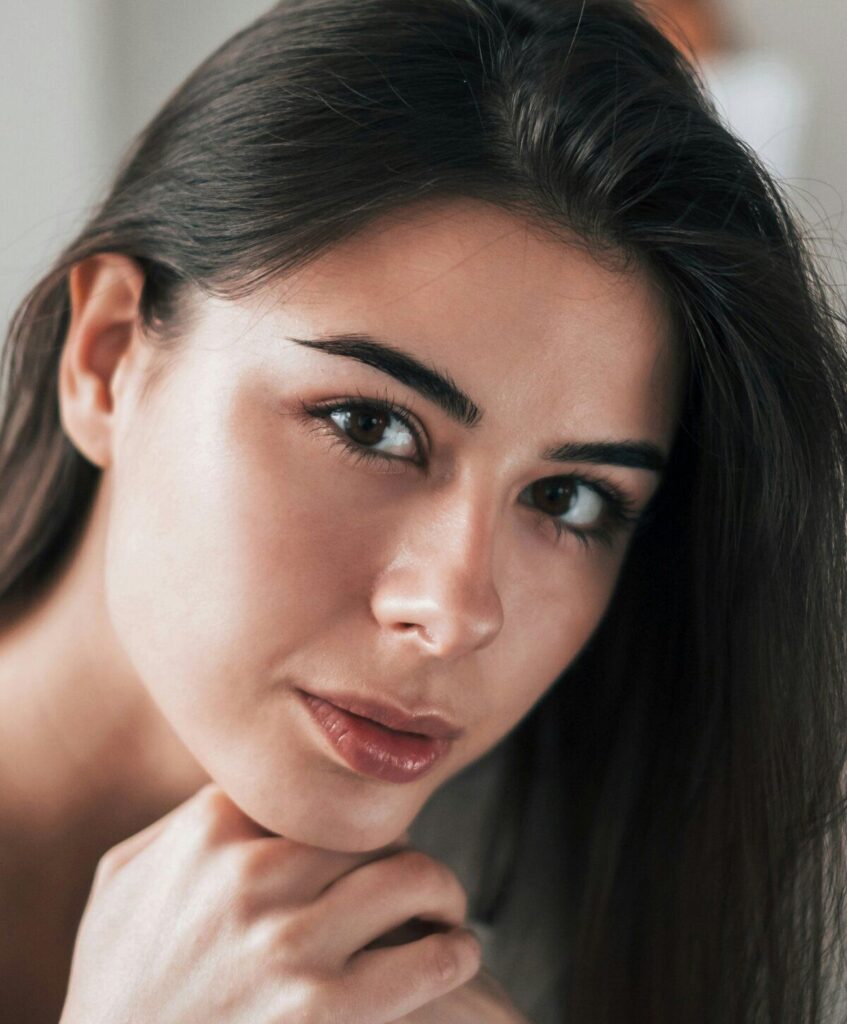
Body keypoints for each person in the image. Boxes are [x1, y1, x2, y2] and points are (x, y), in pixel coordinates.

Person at [1, 0, 845, 1022]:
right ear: (105, 359)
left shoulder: (557, 918)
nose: (453, 612)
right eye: (368, 426)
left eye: (568, 498)